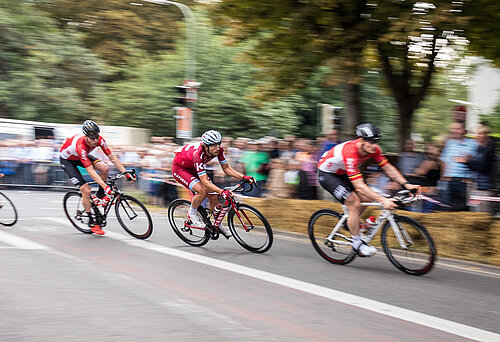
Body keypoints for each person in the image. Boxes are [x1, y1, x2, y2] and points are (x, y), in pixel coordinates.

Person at [317, 123, 420, 257]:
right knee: (354, 202)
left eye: (376, 142)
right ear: (361, 140)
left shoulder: (374, 149)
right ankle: (356, 243)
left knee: (367, 198)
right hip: (328, 174)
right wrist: (383, 200)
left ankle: (351, 223)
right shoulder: (350, 152)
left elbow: (388, 168)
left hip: (343, 172)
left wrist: (407, 184)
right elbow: (359, 186)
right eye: (371, 142)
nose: (374, 145)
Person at [171, 130, 254, 238]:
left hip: (193, 168)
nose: (217, 148)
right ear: (206, 146)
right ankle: (192, 213)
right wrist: (222, 192)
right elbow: (204, 181)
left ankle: (218, 224)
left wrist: (243, 177)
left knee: (213, 195)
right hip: (180, 169)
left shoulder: (219, 150)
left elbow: (226, 168)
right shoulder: (198, 154)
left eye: (218, 144)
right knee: (202, 190)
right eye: (214, 146)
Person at [59, 120, 135, 235]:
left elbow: (112, 157)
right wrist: (105, 186)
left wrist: (125, 172)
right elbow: (90, 170)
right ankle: (91, 221)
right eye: (92, 138)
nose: (95, 141)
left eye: (96, 137)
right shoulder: (80, 145)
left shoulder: (100, 140)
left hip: (79, 157)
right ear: (86, 137)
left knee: (104, 168)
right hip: (68, 161)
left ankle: (100, 196)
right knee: (86, 190)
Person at [440, 121, 478, 211]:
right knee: (446, 209)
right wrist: (442, 179)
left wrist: (467, 160)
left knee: (462, 210)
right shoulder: (449, 143)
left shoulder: (472, 143)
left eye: (457, 128)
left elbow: (476, 162)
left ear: (464, 130)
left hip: (464, 182)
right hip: (449, 182)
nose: (454, 131)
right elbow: (444, 161)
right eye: (452, 128)